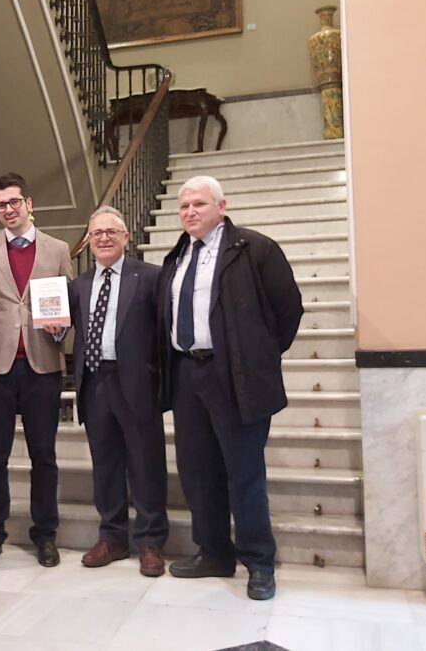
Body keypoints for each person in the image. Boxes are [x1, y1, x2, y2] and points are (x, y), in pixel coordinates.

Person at [156, 175, 302, 601]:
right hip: (187, 374)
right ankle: (214, 552)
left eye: (199, 204)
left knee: (244, 473)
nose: (189, 212)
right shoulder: (177, 255)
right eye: (184, 206)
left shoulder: (255, 249)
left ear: (221, 206)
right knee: (198, 471)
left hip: (233, 375)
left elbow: (287, 310)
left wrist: (255, 355)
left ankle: (258, 561)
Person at [0, 172, 73, 568]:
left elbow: (65, 298)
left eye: (14, 202)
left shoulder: (59, 249)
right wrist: (0, 331)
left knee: (44, 456)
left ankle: (45, 535)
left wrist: (61, 323)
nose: (8, 210)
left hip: (43, 364)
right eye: (0, 205)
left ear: (28, 203)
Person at [68, 207, 169, 577]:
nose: (104, 238)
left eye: (112, 232)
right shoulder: (78, 286)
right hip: (95, 382)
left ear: (126, 238)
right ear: (89, 241)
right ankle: (112, 537)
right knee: (105, 463)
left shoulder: (151, 278)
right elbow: (70, 330)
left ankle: (150, 542)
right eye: (97, 234)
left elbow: (163, 332)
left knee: (146, 463)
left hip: (138, 383)